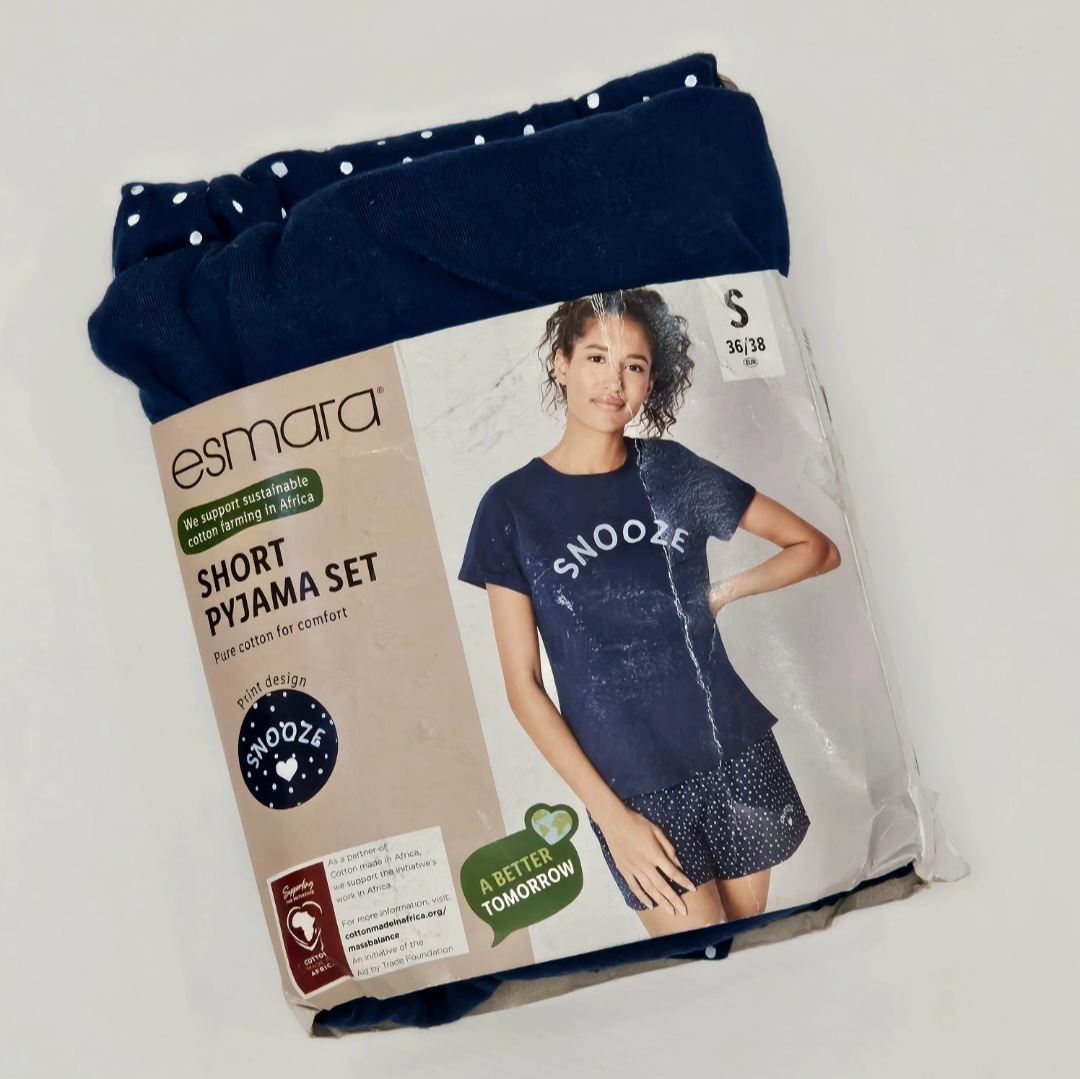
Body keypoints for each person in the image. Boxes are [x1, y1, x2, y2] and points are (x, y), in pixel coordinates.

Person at [459, 289, 841, 937]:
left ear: (650, 381)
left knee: (749, 957)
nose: (614, 381)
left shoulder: (672, 471)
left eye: (633, 365)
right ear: (561, 363)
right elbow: (523, 688)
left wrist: (724, 592)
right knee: (700, 962)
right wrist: (611, 818)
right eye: (596, 357)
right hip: (630, 789)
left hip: (734, 753)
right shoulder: (511, 508)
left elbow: (817, 548)